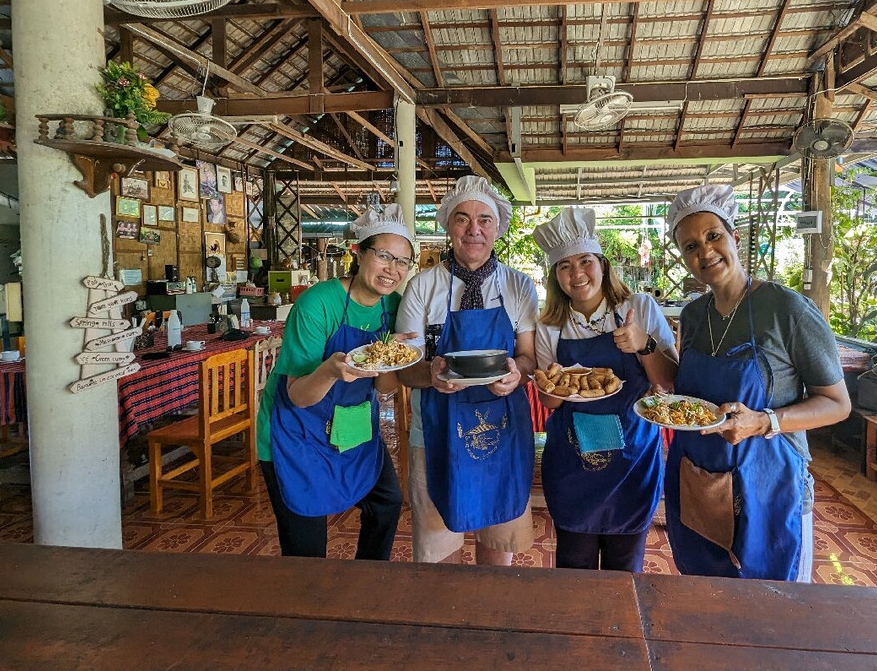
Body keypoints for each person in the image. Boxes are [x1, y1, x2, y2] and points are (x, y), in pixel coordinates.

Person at [663, 185, 850, 581]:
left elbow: (837, 404)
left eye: (713, 236)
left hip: (769, 485)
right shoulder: (694, 314)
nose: (705, 252)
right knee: (707, 597)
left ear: (735, 237)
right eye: (691, 246)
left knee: (771, 607)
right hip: (700, 480)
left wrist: (763, 421)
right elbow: (689, 395)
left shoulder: (786, 309)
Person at [257, 203, 416, 559]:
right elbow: (297, 395)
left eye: (403, 262)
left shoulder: (393, 306)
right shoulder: (318, 304)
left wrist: (390, 356)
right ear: (358, 253)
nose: (393, 270)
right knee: (306, 547)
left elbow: (384, 388)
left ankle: (364, 586)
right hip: (297, 433)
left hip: (353, 426)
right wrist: (330, 370)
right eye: (384, 256)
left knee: (386, 503)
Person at [397, 176, 538, 566]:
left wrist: (517, 373)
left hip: (503, 432)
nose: (473, 230)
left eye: (484, 220)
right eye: (462, 219)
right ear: (447, 226)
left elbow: (528, 357)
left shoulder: (519, 286)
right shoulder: (423, 287)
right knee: (439, 557)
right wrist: (432, 375)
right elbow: (405, 371)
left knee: (498, 552)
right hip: (435, 435)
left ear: (498, 228)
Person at [532, 208, 677, 572]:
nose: (577, 273)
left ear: (603, 264)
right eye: (564, 266)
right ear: (555, 277)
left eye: (585, 261)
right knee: (573, 566)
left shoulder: (639, 307)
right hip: (572, 463)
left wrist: (642, 344)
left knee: (625, 570)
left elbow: (671, 381)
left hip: (633, 460)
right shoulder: (550, 325)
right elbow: (550, 400)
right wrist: (546, 383)